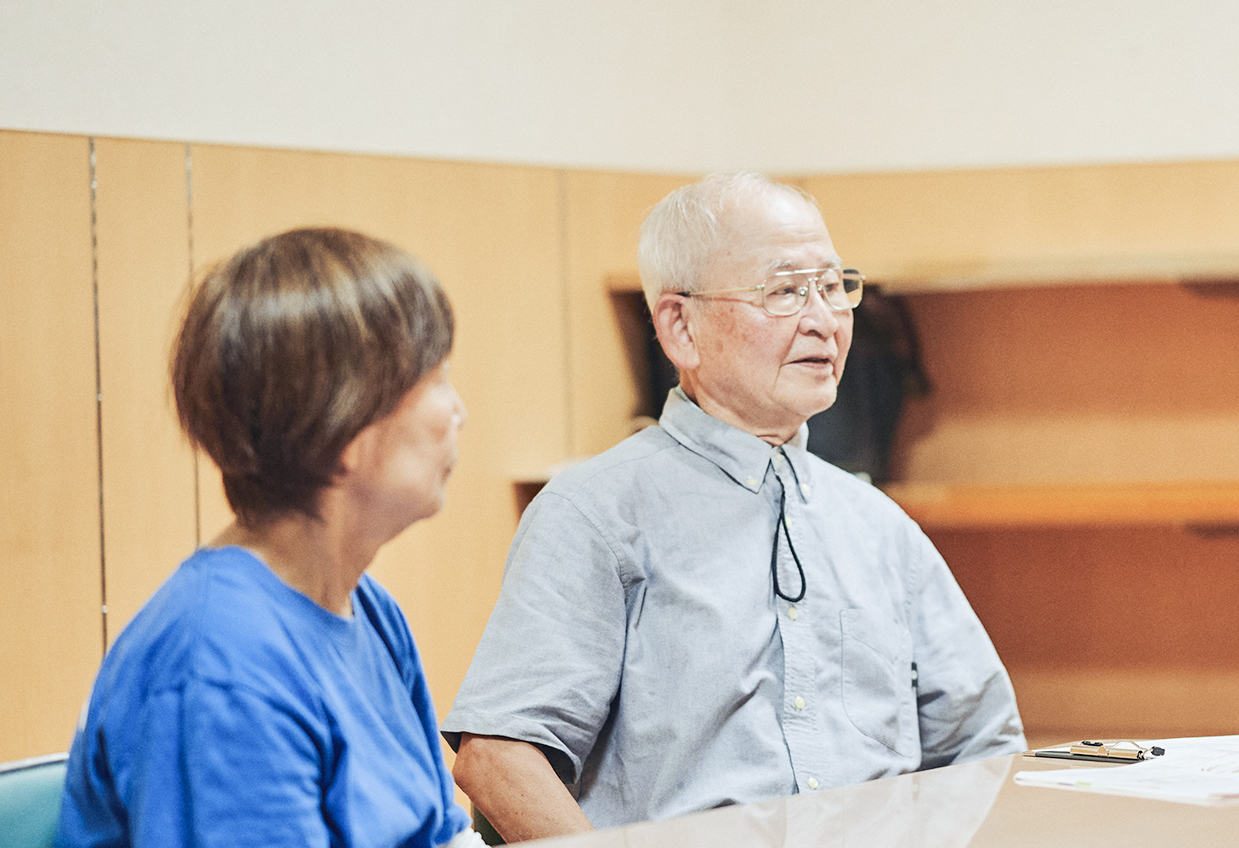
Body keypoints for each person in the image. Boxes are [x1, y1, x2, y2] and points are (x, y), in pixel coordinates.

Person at [441, 172, 1024, 841]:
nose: (822, 319)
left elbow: (985, 747)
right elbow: (499, 758)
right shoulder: (595, 513)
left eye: (834, 287)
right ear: (679, 326)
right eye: (783, 291)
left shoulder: (879, 525)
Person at [58, 228, 476, 846]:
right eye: (437, 379)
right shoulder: (220, 663)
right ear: (347, 427)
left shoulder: (371, 612)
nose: (457, 410)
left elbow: (444, 835)